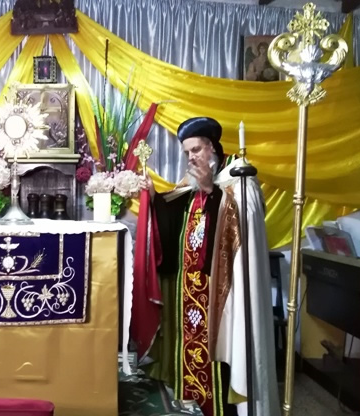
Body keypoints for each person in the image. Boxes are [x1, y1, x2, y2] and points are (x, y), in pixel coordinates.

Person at [145, 118, 279, 416]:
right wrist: (154, 198)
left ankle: (226, 408)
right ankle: (203, 402)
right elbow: (174, 216)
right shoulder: (192, 185)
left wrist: (210, 189)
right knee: (196, 358)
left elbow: (241, 224)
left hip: (224, 295)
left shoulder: (239, 178)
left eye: (196, 149)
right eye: (187, 153)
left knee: (223, 354)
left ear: (213, 149)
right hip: (192, 295)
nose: (191, 157)